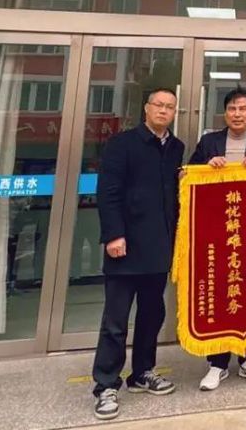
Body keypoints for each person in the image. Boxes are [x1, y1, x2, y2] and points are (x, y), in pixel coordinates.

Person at [90, 87, 185, 422]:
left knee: (151, 315)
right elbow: (108, 192)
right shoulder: (122, 144)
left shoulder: (176, 148)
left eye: (170, 106)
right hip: (125, 246)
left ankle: (142, 372)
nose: (163, 110)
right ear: (146, 108)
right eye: (158, 105)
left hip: (159, 248)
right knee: (116, 321)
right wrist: (113, 235)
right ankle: (106, 385)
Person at [188, 87, 246, 391]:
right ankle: (217, 364)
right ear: (224, 113)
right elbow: (185, 175)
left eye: (242, 109)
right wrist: (206, 167)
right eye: (232, 108)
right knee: (220, 293)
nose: (237, 114)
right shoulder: (209, 142)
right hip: (217, 232)